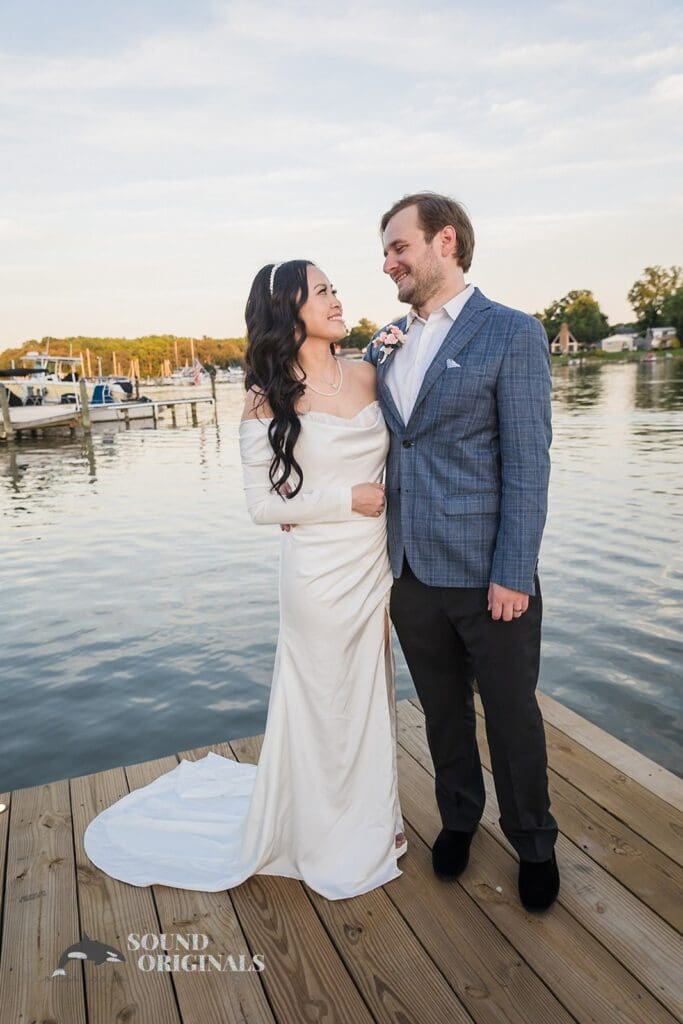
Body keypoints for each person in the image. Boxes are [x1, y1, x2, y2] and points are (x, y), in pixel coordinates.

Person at [83, 259, 406, 900]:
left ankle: (377, 818)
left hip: (374, 562)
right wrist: (349, 499)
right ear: (291, 311)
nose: (337, 299)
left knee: (371, 693)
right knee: (321, 702)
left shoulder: (371, 374)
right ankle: (320, 831)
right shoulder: (266, 399)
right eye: (323, 292)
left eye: (334, 288)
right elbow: (264, 507)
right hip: (317, 571)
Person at [365, 192, 560, 911]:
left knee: (511, 717)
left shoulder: (510, 332)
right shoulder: (382, 341)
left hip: (489, 576)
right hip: (410, 571)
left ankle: (534, 842)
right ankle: (457, 819)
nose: (387, 264)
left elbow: (527, 465)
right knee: (440, 711)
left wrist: (513, 573)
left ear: (444, 241)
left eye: (397, 247)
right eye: (384, 253)